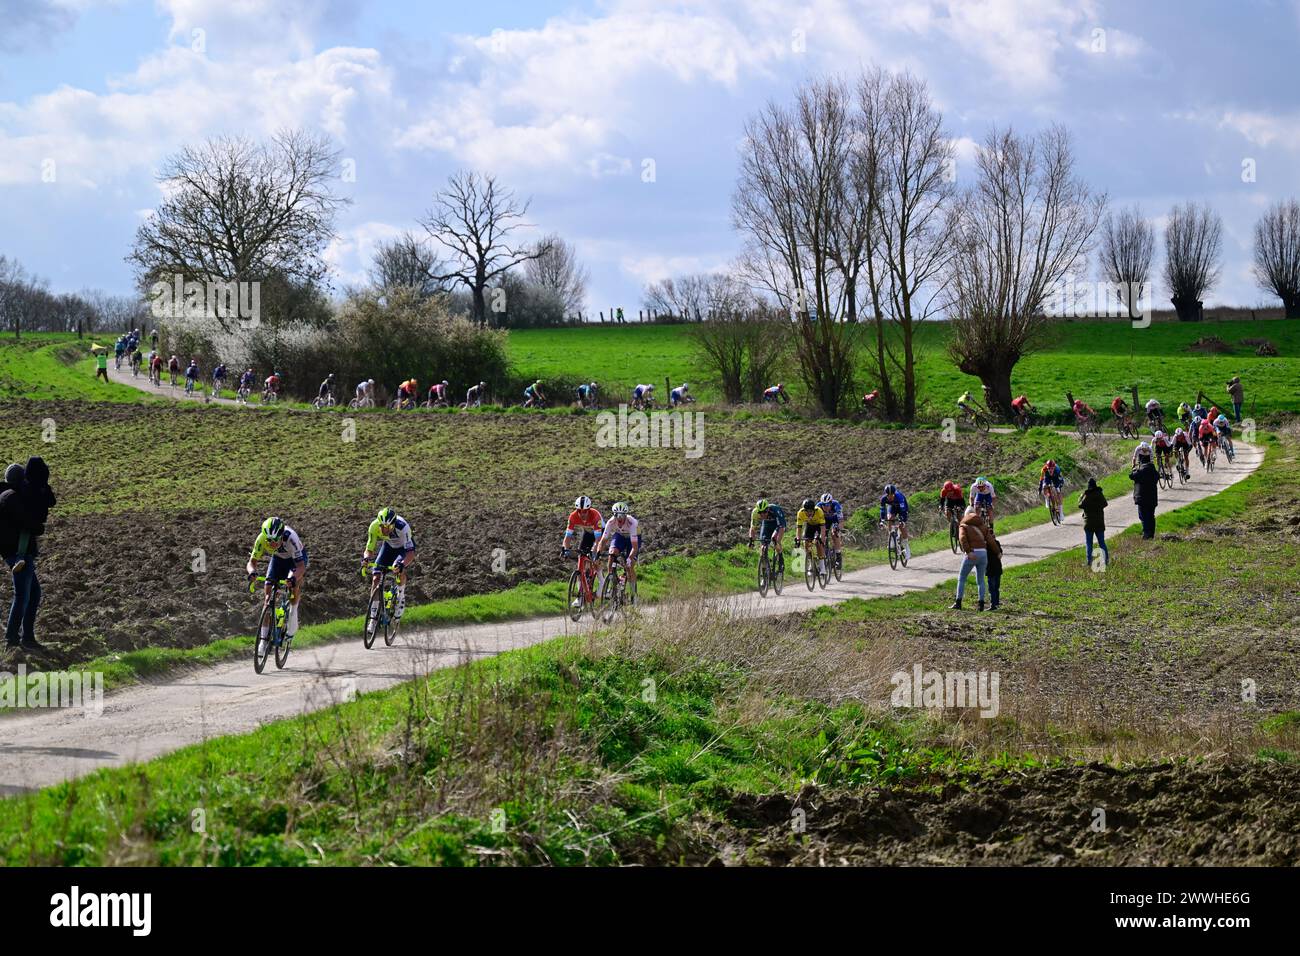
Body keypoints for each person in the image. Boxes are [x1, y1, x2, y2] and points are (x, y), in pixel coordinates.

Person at [0, 457, 55, 649]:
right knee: (23, 595)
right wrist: (37, 528)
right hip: (18, 552)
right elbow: (24, 520)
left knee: (33, 593)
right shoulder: (11, 497)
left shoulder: (7, 495)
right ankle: (14, 639)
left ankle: (26, 637)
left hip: (14, 552)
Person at [246, 516, 308, 644]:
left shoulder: (291, 537)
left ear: (281, 535)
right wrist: (252, 572)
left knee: (293, 588)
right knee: (267, 596)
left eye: (275, 540)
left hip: (295, 560)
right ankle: (263, 641)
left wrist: (293, 578)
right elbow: (251, 562)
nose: (272, 543)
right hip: (278, 559)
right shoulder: (261, 539)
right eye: (269, 540)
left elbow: (301, 567)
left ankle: (293, 614)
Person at [361, 507, 417, 633]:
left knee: (398, 567)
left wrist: (402, 564)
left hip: (403, 549)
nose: (385, 530)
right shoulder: (374, 527)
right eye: (383, 527)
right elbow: (369, 548)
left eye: (388, 527)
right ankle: (373, 619)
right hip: (388, 547)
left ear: (393, 524)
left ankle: (401, 596)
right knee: (375, 578)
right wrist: (366, 559)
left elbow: (410, 553)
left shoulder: (403, 527)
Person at [596, 501, 640, 603]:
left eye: (622, 515)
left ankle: (634, 595)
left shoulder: (632, 523)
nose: (619, 518)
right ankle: (612, 581)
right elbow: (602, 541)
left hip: (632, 538)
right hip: (619, 535)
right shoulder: (611, 522)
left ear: (626, 515)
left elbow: (635, 547)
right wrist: (598, 553)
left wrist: (629, 558)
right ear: (614, 515)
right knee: (612, 553)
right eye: (617, 515)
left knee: (630, 565)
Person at [951, 506, 991, 611]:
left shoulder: (963, 525)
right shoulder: (982, 525)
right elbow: (990, 539)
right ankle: (981, 605)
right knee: (981, 580)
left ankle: (958, 603)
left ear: (966, 515)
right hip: (983, 553)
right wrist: (998, 552)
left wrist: (968, 551)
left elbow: (962, 538)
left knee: (962, 577)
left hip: (972, 553)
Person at [1129, 446, 1160, 539]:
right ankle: (1151, 534)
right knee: (1151, 515)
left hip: (1142, 498)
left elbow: (1131, 476)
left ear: (1140, 459)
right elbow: (1157, 477)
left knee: (1143, 516)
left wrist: (1134, 467)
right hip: (1152, 498)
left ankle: (1146, 534)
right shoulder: (1153, 471)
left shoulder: (1140, 471)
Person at [1078, 477, 1109, 568]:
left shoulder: (1086, 495)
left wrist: (1081, 497)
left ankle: (1089, 562)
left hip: (1089, 524)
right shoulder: (1099, 493)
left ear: (1088, 486)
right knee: (1102, 542)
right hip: (1099, 522)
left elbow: (1080, 505)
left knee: (1089, 543)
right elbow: (1105, 504)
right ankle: (1106, 560)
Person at [796, 497, 828, 575]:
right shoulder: (800, 513)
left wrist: (822, 538)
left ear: (814, 510)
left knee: (818, 543)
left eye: (810, 511)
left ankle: (822, 566)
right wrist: (798, 539)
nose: (808, 513)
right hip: (809, 526)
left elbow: (823, 527)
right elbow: (799, 528)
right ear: (804, 510)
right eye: (806, 511)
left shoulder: (819, 511)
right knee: (806, 544)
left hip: (819, 526)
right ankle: (811, 563)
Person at [877, 485, 910, 560]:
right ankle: (891, 539)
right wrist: (882, 520)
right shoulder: (883, 499)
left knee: (901, 525)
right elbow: (882, 510)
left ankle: (907, 547)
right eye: (888, 495)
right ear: (886, 494)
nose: (890, 497)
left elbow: (903, 510)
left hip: (902, 508)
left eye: (892, 495)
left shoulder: (899, 497)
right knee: (889, 518)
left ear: (894, 493)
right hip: (892, 507)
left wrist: (902, 519)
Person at [984, 518, 1004, 611]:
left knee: (992, 588)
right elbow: (1001, 553)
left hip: (991, 570)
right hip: (998, 569)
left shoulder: (986, 546)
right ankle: (996, 602)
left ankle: (993, 604)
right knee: (996, 587)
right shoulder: (997, 543)